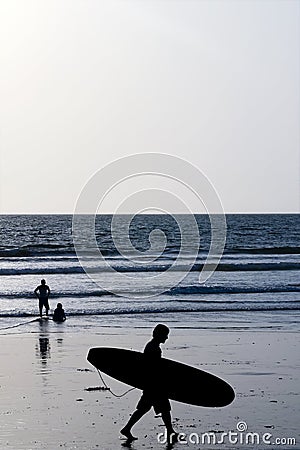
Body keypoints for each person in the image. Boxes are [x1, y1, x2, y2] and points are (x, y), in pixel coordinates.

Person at [120, 324, 178, 443]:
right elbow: (153, 368)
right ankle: (170, 430)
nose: (166, 338)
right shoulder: (153, 348)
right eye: (165, 335)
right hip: (154, 385)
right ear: (159, 334)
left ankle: (127, 428)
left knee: (146, 408)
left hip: (151, 384)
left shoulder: (152, 346)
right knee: (163, 408)